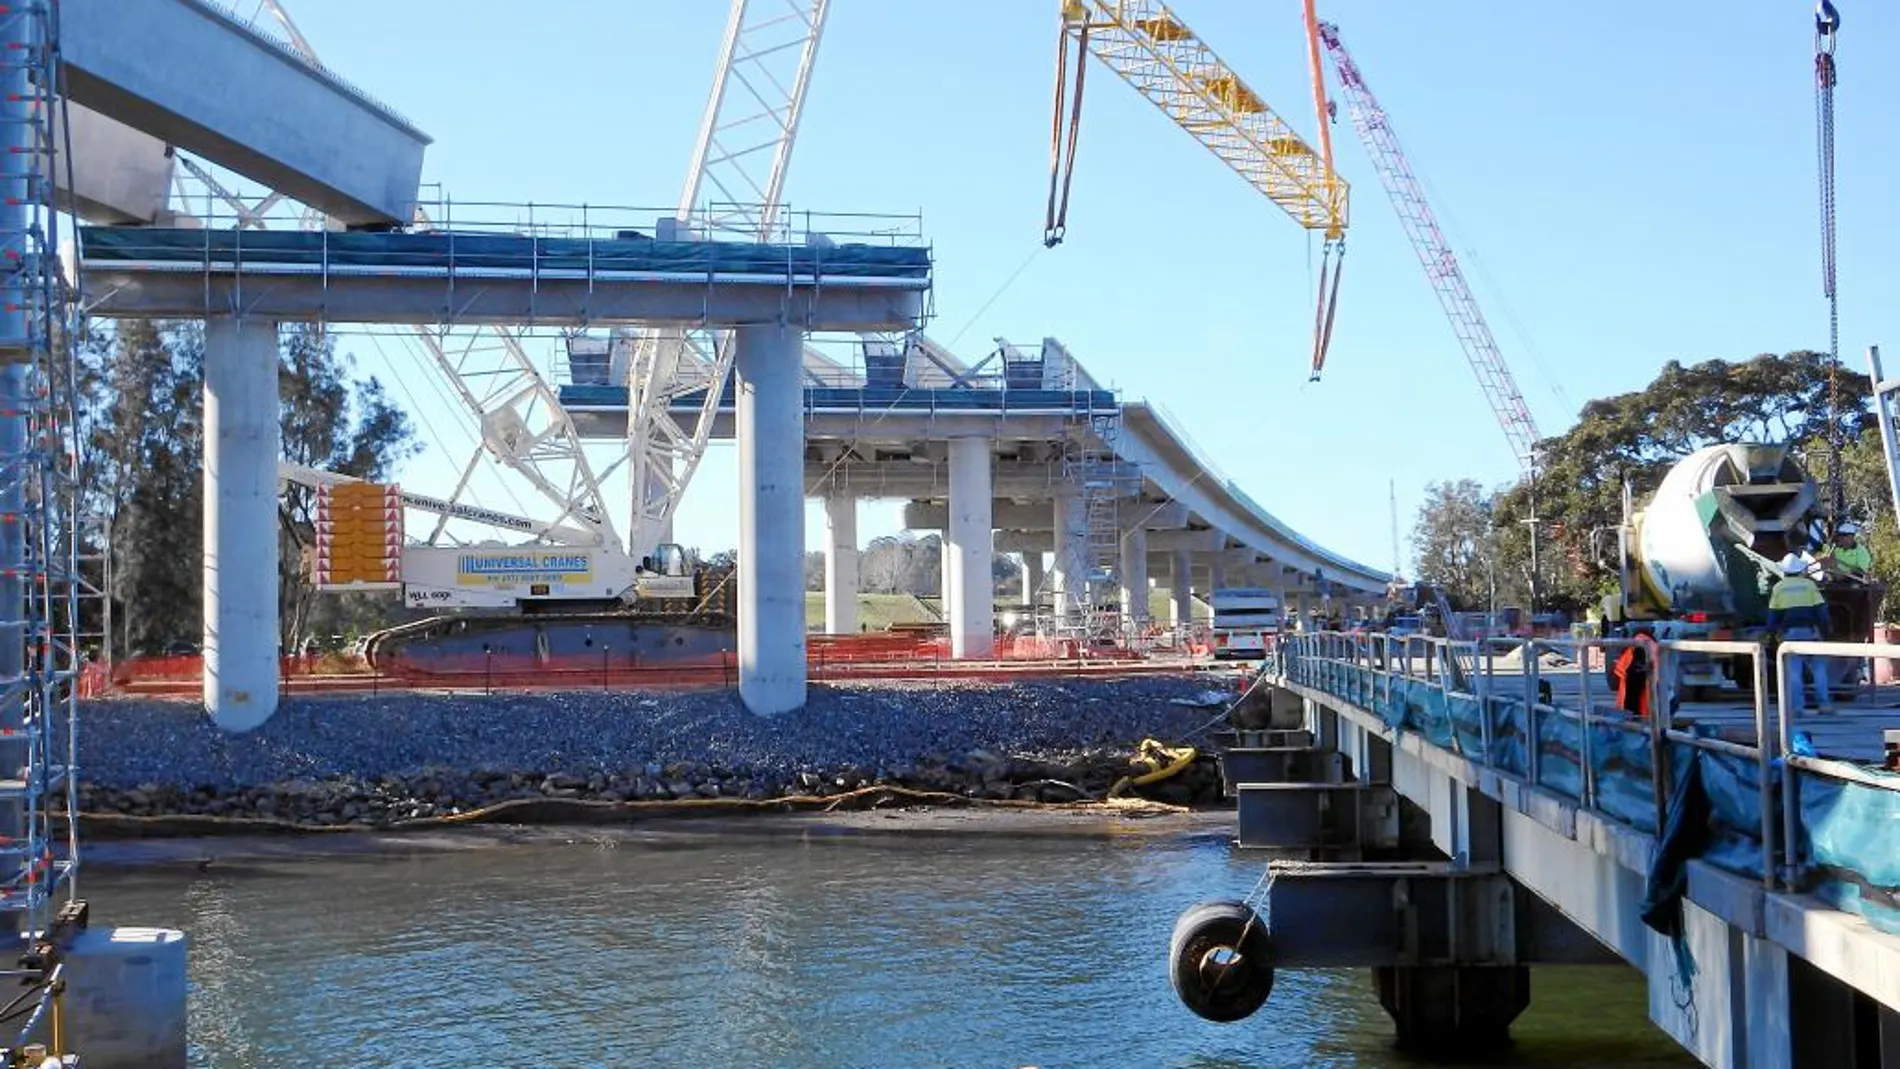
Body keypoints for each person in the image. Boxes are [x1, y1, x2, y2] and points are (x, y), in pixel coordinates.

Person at [1768, 553, 1833, 714]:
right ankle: (1824, 705)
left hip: (1790, 635)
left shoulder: (1778, 588)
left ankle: (1798, 708)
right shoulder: (1809, 585)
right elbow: (1821, 610)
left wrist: (1770, 633)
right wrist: (1826, 630)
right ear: (1800, 570)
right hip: (1811, 632)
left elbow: (1773, 614)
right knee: (1819, 669)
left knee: (1794, 671)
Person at [1611, 626, 1661, 718]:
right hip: (1647, 711)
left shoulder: (1637, 647)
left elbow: (1632, 687)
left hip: (1637, 713)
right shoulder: (1652, 646)